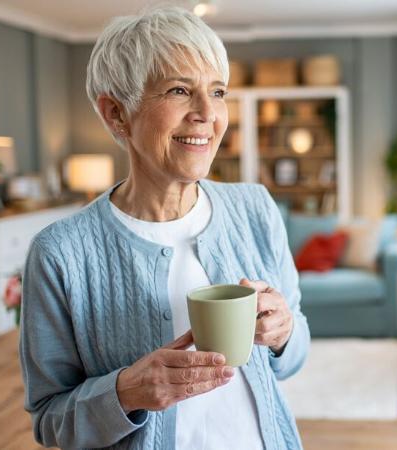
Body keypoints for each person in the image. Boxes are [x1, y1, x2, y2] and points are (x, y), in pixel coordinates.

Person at [19, 5, 309, 449]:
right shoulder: (60, 253)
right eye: (178, 90)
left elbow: (293, 356)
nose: (206, 114)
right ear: (117, 113)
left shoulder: (256, 208)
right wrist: (125, 392)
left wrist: (284, 333)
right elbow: (50, 421)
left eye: (216, 92)